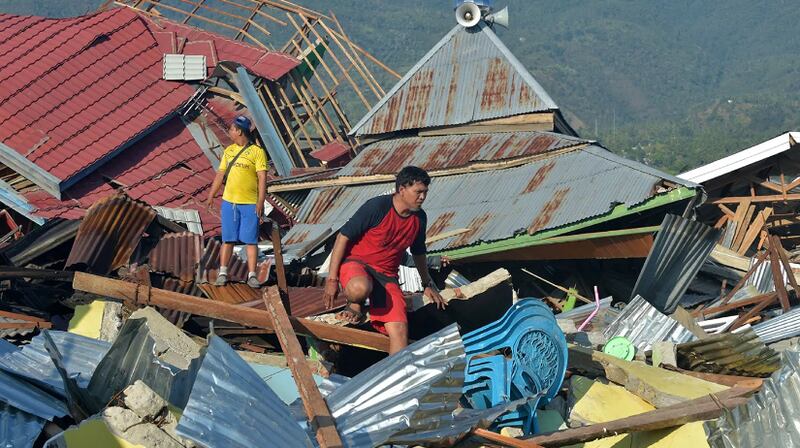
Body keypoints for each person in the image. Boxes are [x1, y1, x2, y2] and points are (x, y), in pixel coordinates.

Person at [322, 166, 446, 354]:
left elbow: (419, 252)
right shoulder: (377, 207)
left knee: (399, 330)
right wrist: (331, 280)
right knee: (359, 288)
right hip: (357, 265)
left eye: (425, 193)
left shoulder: (419, 218)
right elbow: (342, 237)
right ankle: (354, 303)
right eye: (418, 192)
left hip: (387, 276)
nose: (422, 197)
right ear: (402, 189)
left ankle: (397, 377)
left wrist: (427, 283)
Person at [206, 116, 267, 288]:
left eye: (232, 129)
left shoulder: (257, 152)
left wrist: (260, 201)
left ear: (239, 131)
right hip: (229, 202)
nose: (230, 132)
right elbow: (220, 174)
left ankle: (252, 275)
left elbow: (262, 178)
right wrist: (211, 195)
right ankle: (223, 272)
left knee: (251, 240)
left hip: (249, 203)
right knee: (228, 239)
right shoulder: (229, 151)